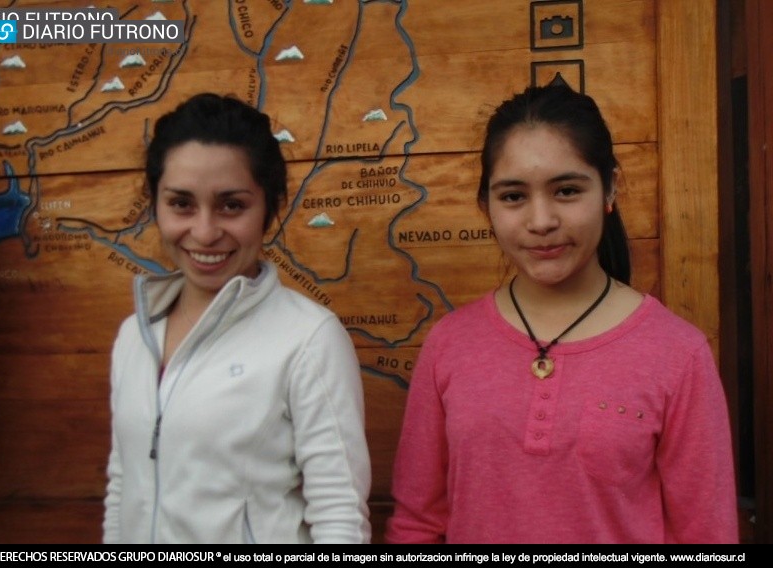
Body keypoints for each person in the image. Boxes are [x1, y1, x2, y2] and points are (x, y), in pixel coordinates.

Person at [385, 84, 738, 544]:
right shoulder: (449, 344)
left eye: (567, 190)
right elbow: (417, 523)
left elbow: (706, 535)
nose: (541, 220)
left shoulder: (678, 353)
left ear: (609, 188)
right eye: (513, 196)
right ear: (485, 206)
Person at [103, 93, 371, 544]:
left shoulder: (308, 338)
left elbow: (339, 517)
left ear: (269, 209)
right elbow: (123, 484)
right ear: (155, 205)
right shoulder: (136, 334)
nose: (205, 231)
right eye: (181, 204)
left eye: (232, 205)